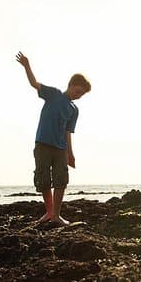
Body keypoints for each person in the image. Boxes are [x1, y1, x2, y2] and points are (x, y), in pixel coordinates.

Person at [15, 51, 91, 225]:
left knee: (61, 180)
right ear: (71, 85)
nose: (78, 96)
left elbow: (68, 132)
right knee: (43, 180)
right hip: (42, 144)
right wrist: (27, 65)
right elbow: (34, 83)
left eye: (82, 95)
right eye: (78, 92)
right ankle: (49, 213)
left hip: (61, 149)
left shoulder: (74, 109)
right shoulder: (54, 94)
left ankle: (56, 215)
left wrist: (70, 153)